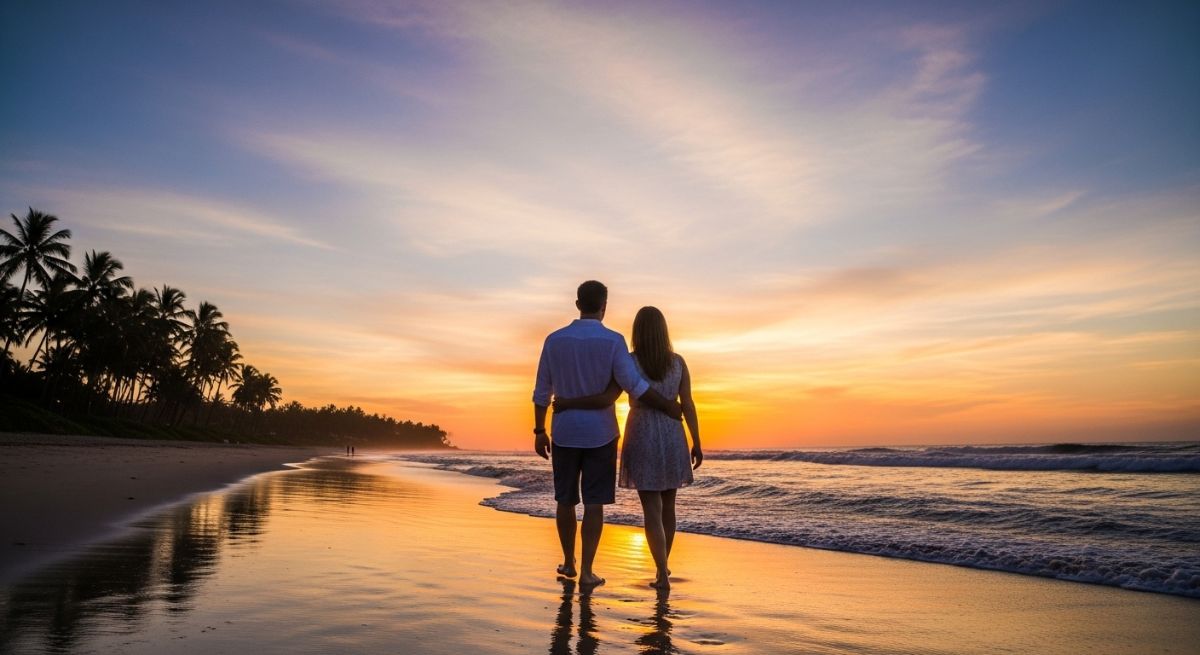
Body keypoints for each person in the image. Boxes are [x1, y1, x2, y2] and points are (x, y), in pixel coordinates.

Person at [532, 281, 683, 588]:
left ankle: (569, 562)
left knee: (565, 500)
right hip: (601, 433)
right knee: (594, 502)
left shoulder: (554, 340)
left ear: (577, 304)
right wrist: (668, 405)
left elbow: (541, 390)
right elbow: (634, 386)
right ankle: (588, 570)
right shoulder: (613, 341)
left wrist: (539, 430)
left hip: (563, 432)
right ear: (604, 306)